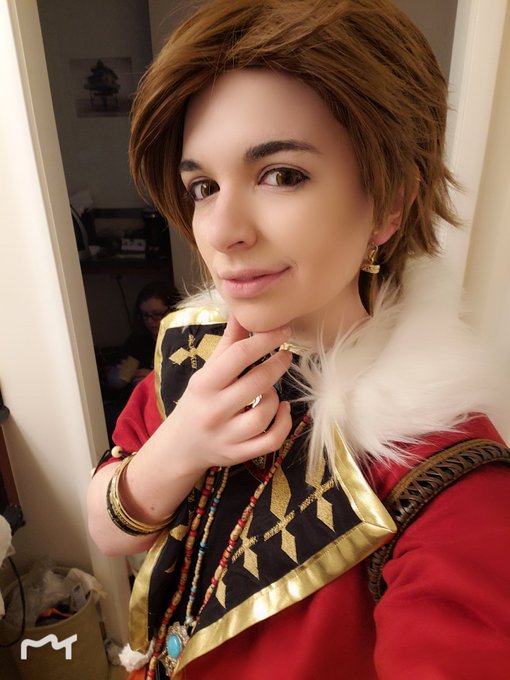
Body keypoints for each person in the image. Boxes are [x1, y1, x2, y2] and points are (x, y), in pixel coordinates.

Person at [87, 1, 510, 679]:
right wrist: (181, 445)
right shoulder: (193, 357)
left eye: (282, 174)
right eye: (203, 186)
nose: (221, 231)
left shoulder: (444, 475)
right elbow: (106, 533)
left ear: (389, 203)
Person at [106, 281, 179, 391]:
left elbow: (187, 378)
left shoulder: (183, 340)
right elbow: (113, 379)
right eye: (145, 315)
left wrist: (156, 379)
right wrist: (120, 376)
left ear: (173, 310)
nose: (150, 321)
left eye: (156, 314)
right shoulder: (138, 340)